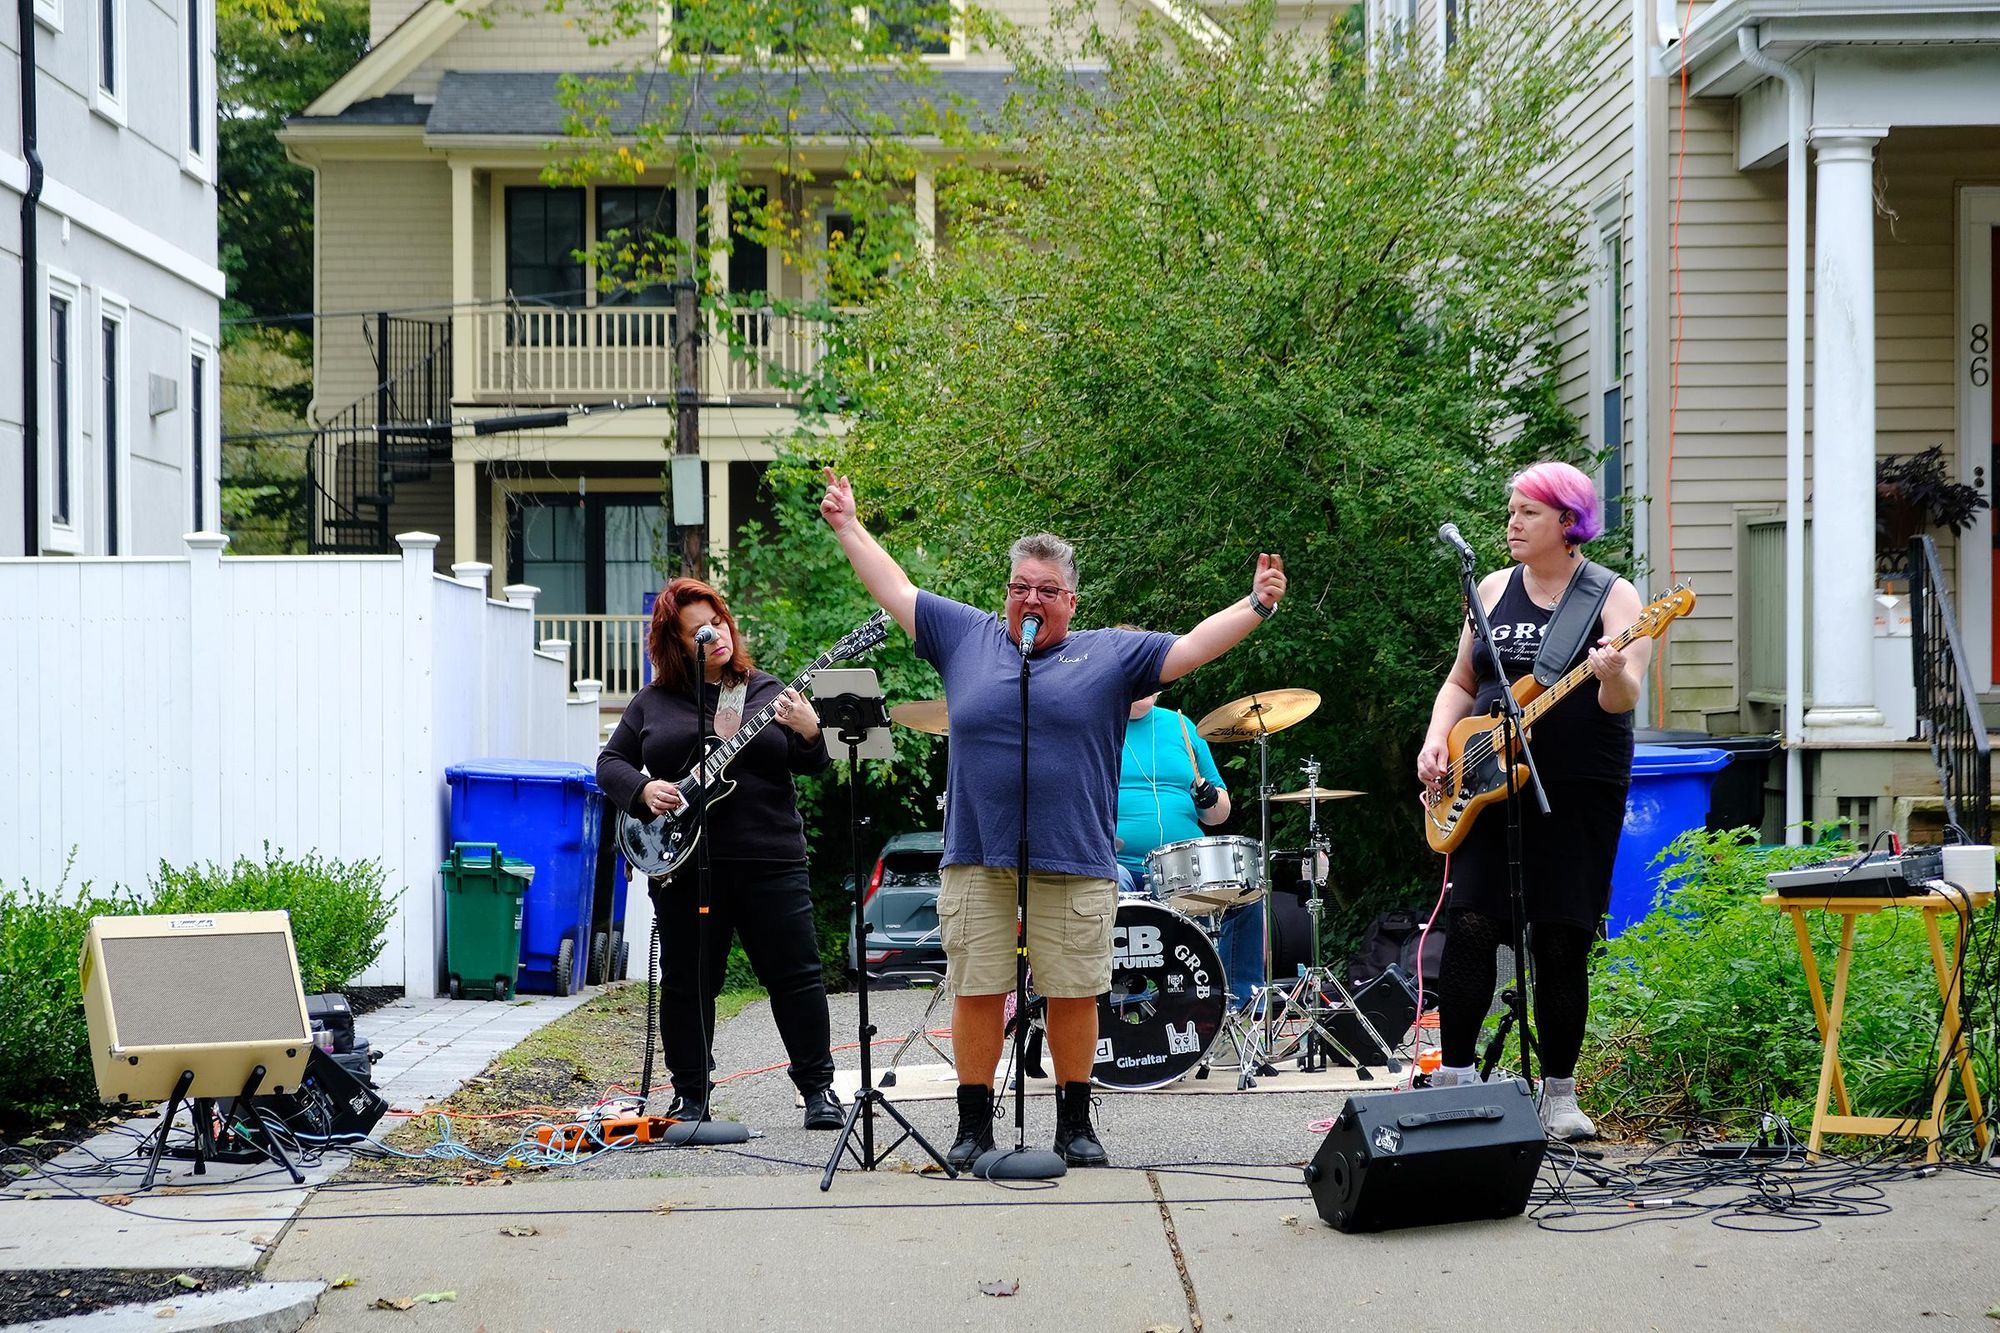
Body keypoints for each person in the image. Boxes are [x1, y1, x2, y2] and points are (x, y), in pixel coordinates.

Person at [820, 467, 1286, 1169]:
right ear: (1005, 592)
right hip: (978, 851)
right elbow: (895, 588)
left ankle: (1074, 1121)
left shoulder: (1108, 652)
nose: (1029, 599)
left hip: (1074, 854)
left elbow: (1191, 646)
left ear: (1070, 599)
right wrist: (850, 525)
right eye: (1019, 587)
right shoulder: (965, 635)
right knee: (979, 986)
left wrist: (1255, 603)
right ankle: (973, 1123)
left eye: (1045, 590)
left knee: (1074, 989)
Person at [1414, 461, 1648, 1141]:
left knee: (1560, 937)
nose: (1511, 524)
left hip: (1575, 790)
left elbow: (1623, 695)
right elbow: (1462, 681)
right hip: (1484, 786)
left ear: (1568, 524)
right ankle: (1455, 1078)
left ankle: (1560, 1095)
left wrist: (1610, 674)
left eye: (1528, 513)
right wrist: (1436, 741)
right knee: (1474, 925)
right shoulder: (1491, 587)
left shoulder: (1614, 596)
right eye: (1511, 510)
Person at [596, 576, 845, 1132]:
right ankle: (691, 1095)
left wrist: (810, 732)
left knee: (796, 976)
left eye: (720, 620)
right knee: (687, 982)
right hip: (683, 867)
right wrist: (641, 791)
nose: (718, 633)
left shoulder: (765, 691)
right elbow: (609, 764)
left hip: (770, 859)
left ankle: (819, 1092)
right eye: (700, 630)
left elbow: (813, 763)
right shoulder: (652, 702)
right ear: (676, 644)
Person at [1115, 691, 1264, 1008]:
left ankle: (1242, 1006)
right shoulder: (1095, 724)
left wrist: (1210, 799)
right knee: (1107, 884)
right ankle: (1127, 1002)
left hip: (1182, 864)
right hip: (1118, 862)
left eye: (1151, 681)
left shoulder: (1181, 725)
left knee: (1244, 891)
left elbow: (1219, 814)